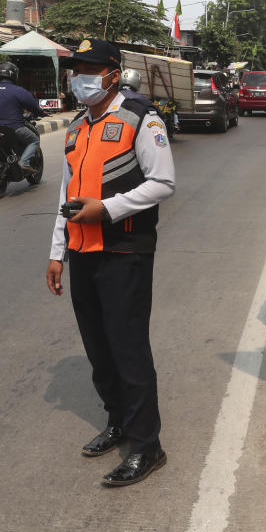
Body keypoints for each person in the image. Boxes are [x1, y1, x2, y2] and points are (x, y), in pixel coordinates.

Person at [45, 38, 176, 487]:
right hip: (82, 252)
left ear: (112, 75)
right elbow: (66, 193)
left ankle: (147, 446)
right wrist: (56, 252)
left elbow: (163, 183)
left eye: (90, 69)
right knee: (99, 349)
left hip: (124, 251)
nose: (80, 77)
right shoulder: (77, 127)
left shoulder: (141, 118)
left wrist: (109, 208)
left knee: (128, 348)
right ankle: (118, 421)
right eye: (75, 69)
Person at [0, 62, 46, 174]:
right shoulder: (19, 91)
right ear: (14, 75)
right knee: (34, 140)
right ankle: (24, 162)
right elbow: (33, 106)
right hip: (15, 127)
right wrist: (41, 113)